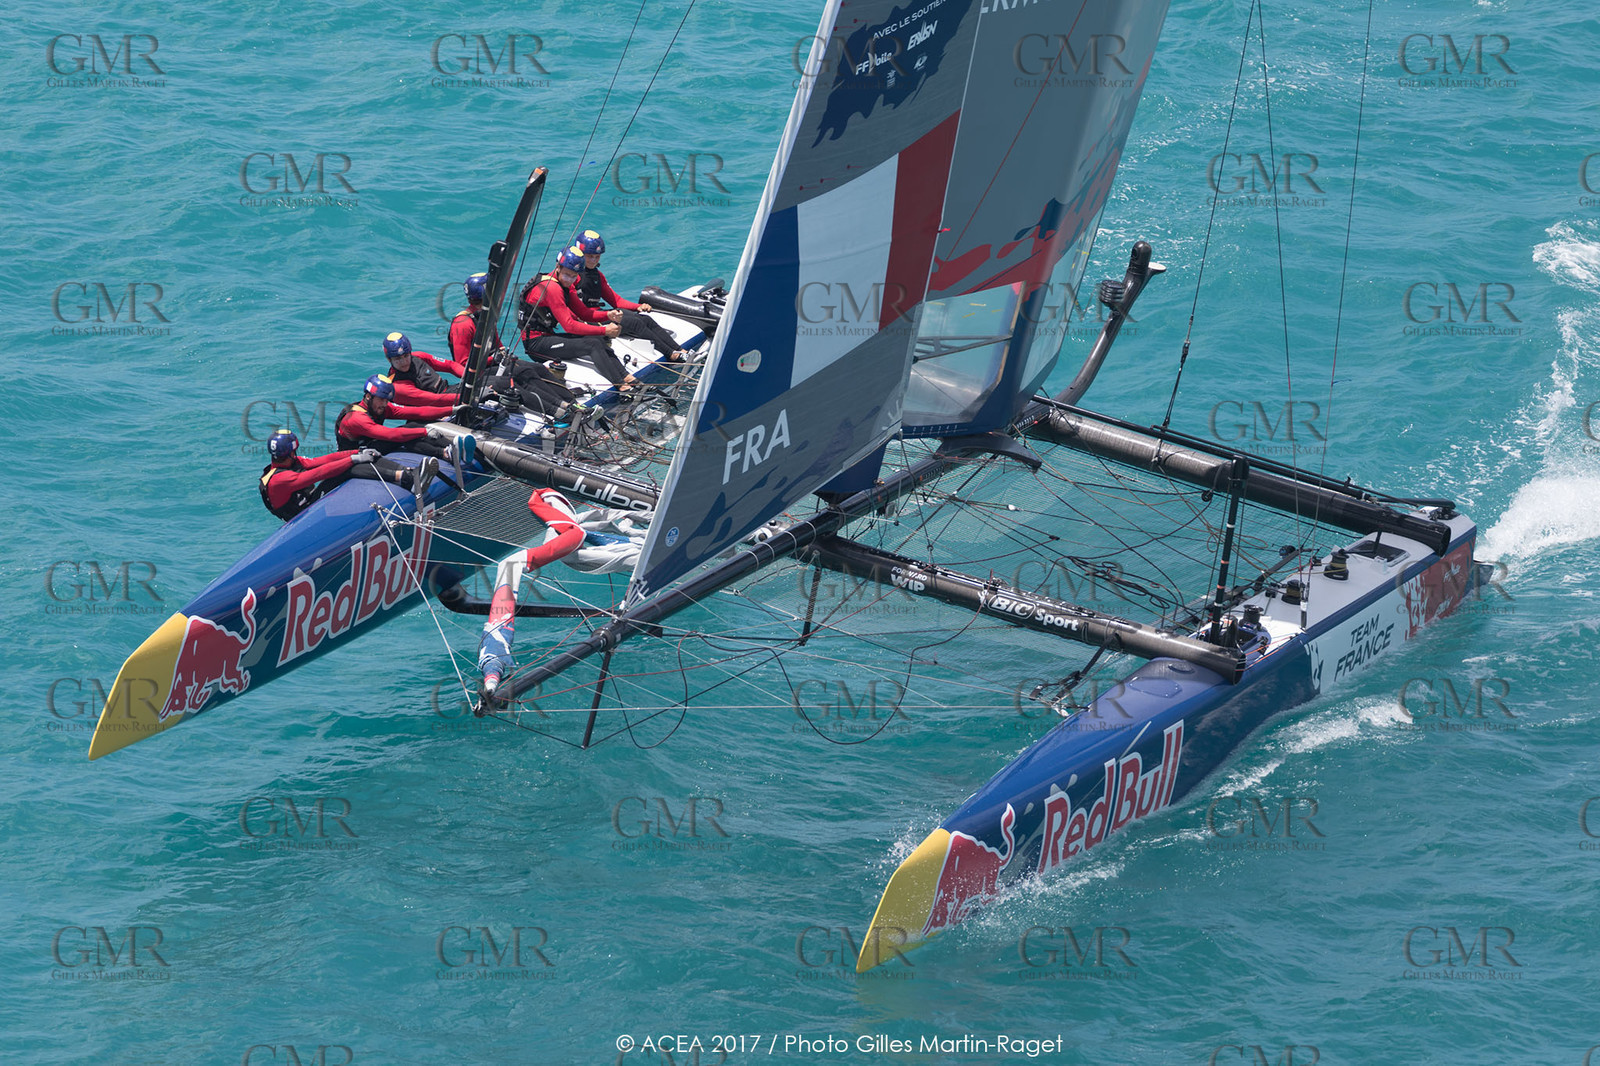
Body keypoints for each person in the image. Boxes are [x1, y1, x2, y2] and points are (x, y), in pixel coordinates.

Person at [441, 274, 581, 420]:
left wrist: (501, 353)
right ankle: (560, 410)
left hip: (495, 363)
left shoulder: (486, 315)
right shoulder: (463, 323)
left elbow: (496, 345)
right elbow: (462, 364)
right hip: (480, 373)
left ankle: (572, 403)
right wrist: (491, 359)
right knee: (523, 373)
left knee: (537, 368)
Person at [520, 245, 636, 392]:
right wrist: (605, 330)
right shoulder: (552, 288)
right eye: (567, 274)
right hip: (536, 345)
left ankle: (625, 376)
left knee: (597, 340)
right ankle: (621, 386)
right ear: (558, 267)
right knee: (592, 344)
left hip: (549, 337)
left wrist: (608, 315)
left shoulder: (564, 284)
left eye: (574, 276)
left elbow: (584, 313)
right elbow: (569, 325)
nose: (570, 279)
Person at [258, 429, 435, 521]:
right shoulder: (280, 480)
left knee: (360, 460)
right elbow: (319, 473)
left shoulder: (286, 462)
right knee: (347, 469)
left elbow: (323, 460)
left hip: (310, 502)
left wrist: (358, 452)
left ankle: (408, 473)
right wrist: (352, 459)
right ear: (289, 453)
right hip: (305, 514)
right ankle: (407, 480)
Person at [574, 229, 688, 362]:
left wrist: (638, 306)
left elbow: (616, 300)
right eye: (590, 256)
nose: (593, 260)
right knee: (635, 323)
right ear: (580, 253)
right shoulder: (572, 275)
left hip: (599, 314)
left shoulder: (597, 275)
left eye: (597, 256)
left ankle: (680, 349)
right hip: (587, 320)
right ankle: (671, 354)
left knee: (645, 319)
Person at [334, 375, 454, 453]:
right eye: (381, 399)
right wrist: (425, 432)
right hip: (354, 458)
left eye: (387, 400)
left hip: (370, 448)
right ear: (368, 396)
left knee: (413, 424)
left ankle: (453, 446)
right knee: (404, 435)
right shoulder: (356, 418)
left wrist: (452, 410)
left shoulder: (380, 407)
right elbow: (391, 434)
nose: (385, 404)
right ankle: (444, 453)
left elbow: (417, 412)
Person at [382, 332, 461, 406]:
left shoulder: (418, 357)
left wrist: (469, 375)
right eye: (398, 358)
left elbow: (450, 365)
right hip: (431, 408)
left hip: (448, 391)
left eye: (406, 356)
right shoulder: (398, 385)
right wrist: (465, 397)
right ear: (389, 359)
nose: (404, 362)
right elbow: (432, 399)